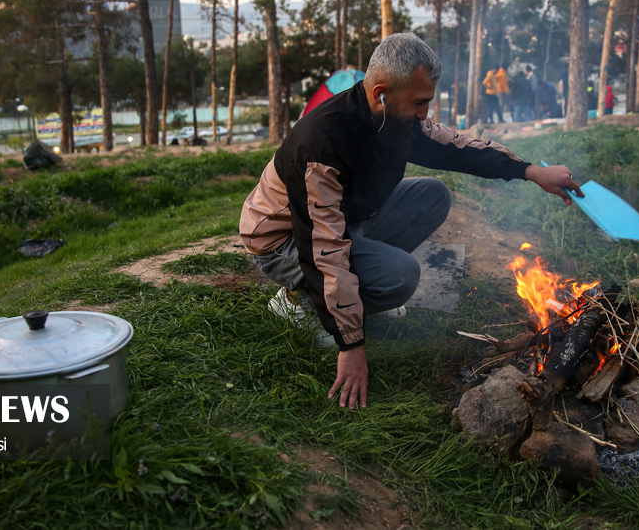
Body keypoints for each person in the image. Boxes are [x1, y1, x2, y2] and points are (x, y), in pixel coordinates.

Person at [238, 33, 583, 410]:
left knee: (432, 194)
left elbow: (457, 148)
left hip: (344, 219)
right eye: (419, 103)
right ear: (381, 93)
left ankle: (359, 291)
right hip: (284, 241)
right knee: (401, 276)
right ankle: (300, 306)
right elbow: (321, 247)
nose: (424, 113)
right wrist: (350, 343)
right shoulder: (321, 144)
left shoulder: (395, 119)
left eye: (428, 102)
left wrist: (530, 171)